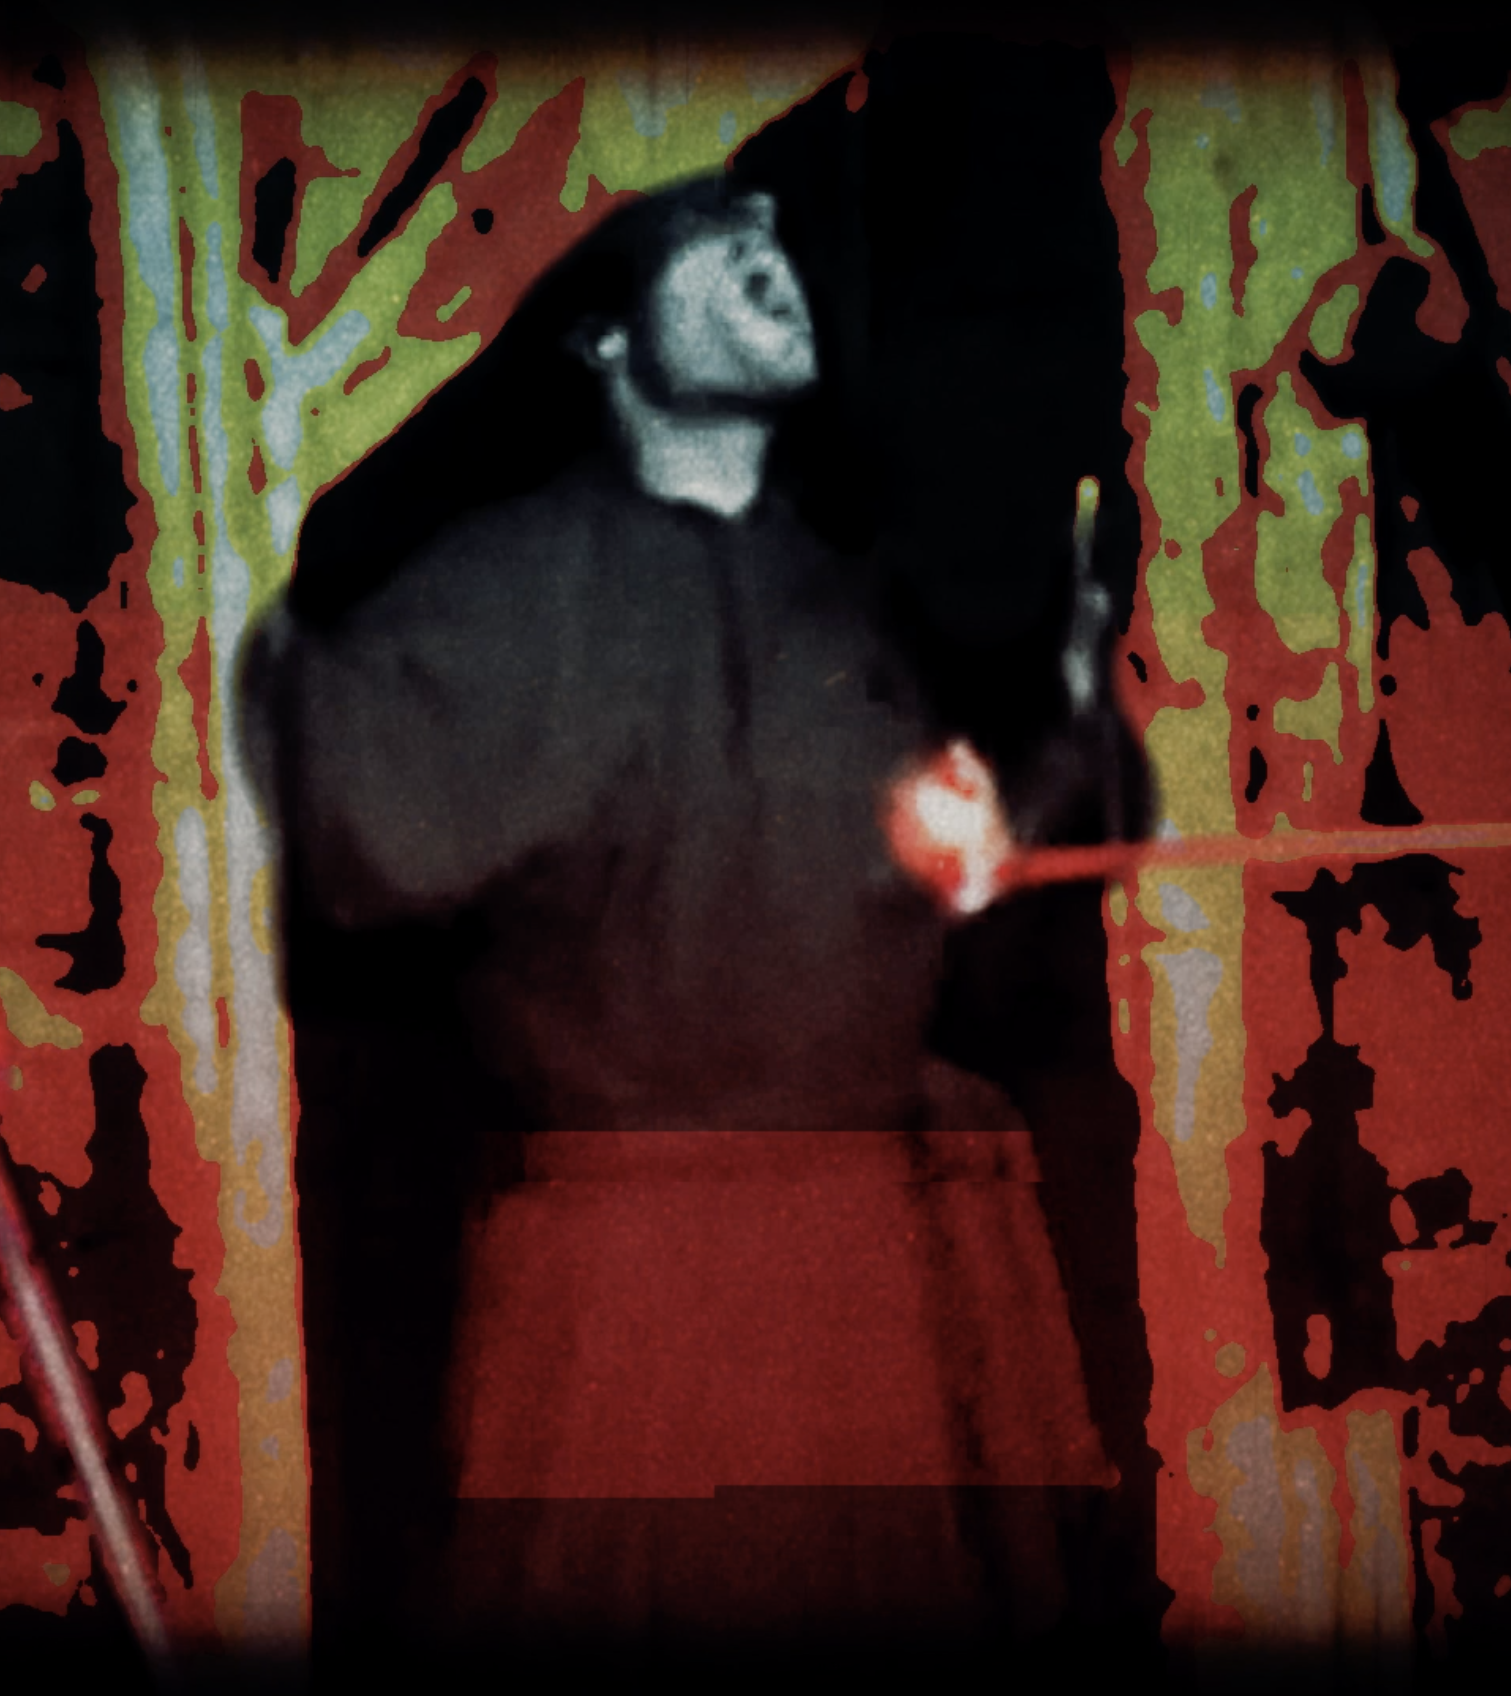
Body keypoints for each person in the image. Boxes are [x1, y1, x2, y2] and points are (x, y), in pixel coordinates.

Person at [237, 175, 1152, 1686]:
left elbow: (953, 883)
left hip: (863, 1274)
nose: (770, 257)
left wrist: (1033, 763)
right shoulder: (507, 584)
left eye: (777, 235)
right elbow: (351, 828)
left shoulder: (846, 607)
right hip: (623, 1287)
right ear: (601, 333)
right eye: (714, 239)